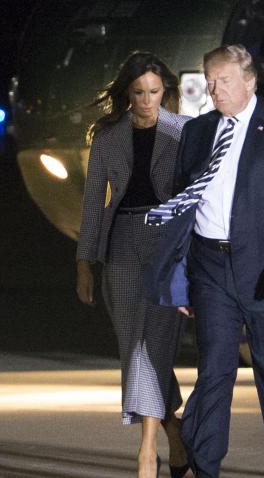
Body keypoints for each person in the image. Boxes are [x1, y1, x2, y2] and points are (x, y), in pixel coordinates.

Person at [143, 44, 264, 478]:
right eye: (210, 81)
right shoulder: (197, 131)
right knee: (213, 374)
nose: (215, 89)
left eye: (223, 80)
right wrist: (181, 277)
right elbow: (184, 204)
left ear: (249, 81)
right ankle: (206, 469)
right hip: (210, 267)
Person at [75, 51, 191, 478]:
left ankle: (146, 452)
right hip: (121, 242)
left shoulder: (183, 132)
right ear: (127, 92)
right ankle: (174, 430)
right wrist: (84, 262)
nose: (146, 100)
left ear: (166, 91)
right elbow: (93, 202)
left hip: (167, 244)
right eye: (139, 92)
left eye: (154, 92)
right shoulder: (108, 137)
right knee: (133, 345)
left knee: (152, 345)